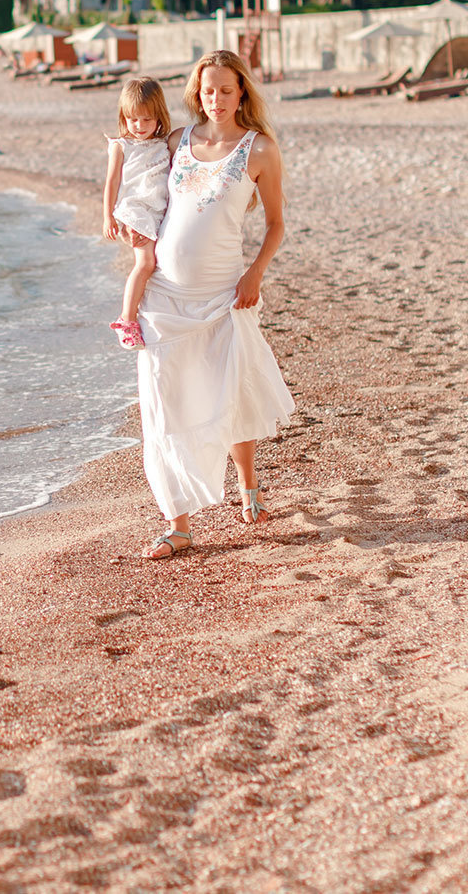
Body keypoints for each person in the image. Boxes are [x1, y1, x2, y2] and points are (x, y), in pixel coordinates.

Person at [135, 49, 295, 560]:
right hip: (163, 298)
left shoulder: (260, 150)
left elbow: (275, 225)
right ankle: (177, 522)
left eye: (227, 90)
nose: (217, 99)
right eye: (208, 91)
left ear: (241, 91)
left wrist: (255, 273)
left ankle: (248, 488)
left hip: (225, 292)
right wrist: (119, 217)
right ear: (196, 93)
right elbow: (139, 185)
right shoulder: (177, 141)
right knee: (163, 405)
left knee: (230, 393)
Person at [101, 78, 174, 349]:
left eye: (146, 120)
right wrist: (108, 216)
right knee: (145, 264)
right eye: (133, 120)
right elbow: (112, 182)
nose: (139, 127)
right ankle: (126, 319)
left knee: (158, 263)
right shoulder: (122, 145)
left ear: (159, 117)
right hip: (136, 210)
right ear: (124, 118)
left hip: (158, 210)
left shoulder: (165, 142)